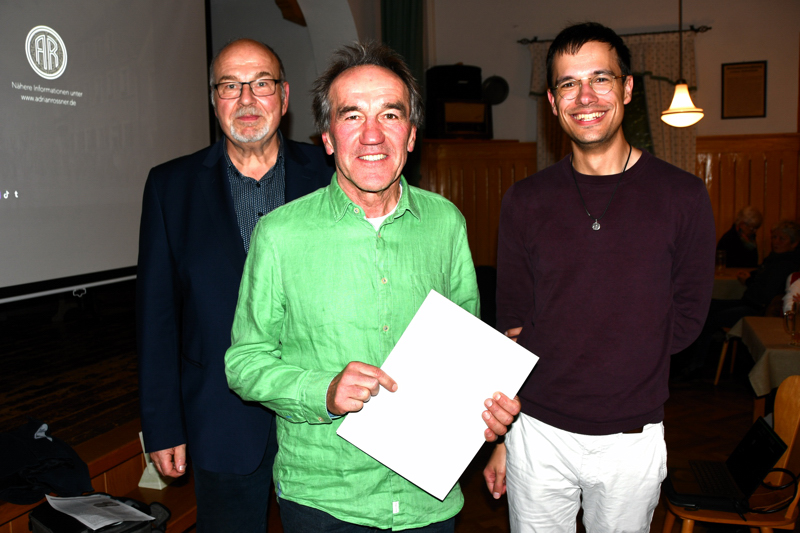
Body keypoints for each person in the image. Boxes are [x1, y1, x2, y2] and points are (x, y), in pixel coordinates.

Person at [224, 41, 520, 532]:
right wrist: (324, 390)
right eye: (352, 116)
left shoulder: (445, 223)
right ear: (327, 137)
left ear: (411, 135)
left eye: (390, 114)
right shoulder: (278, 234)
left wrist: (488, 408)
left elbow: (465, 349)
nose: (372, 135)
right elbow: (245, 362)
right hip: (326, 499)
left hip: (429, 498)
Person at [483, 23, 716, 532]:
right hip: (536, 431)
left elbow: (689, 316)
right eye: (569, 83)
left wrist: (621, 361)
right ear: (552, 101)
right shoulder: (524, 200)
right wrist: (504, 439)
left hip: (632, 436)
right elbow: (512, 323)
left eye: (600, 79)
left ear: (627, 89)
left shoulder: (683, 196)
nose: (585, 97)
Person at [136, 39, 333, 533]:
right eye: (230, 86)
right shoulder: (170, 187)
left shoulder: (332, 174)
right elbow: (156, 319)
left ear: (284, 97)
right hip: (220, 416)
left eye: (261, 84)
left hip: (323, 413)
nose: (246, 99)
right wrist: (162, 424)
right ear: (214, 100)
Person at [681, 220, 800, 374]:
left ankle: (696, 364)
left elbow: (766, 293)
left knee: (709, 317)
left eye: (781, 239)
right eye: (774, 237)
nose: (776, 242)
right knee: (706, 305)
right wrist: (751, 277)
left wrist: (749, 281)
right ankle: (688, 354)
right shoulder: (775, 258)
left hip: (759, 311)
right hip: (749, 302)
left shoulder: (788, 263)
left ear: (794, 243)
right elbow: (762, 275)